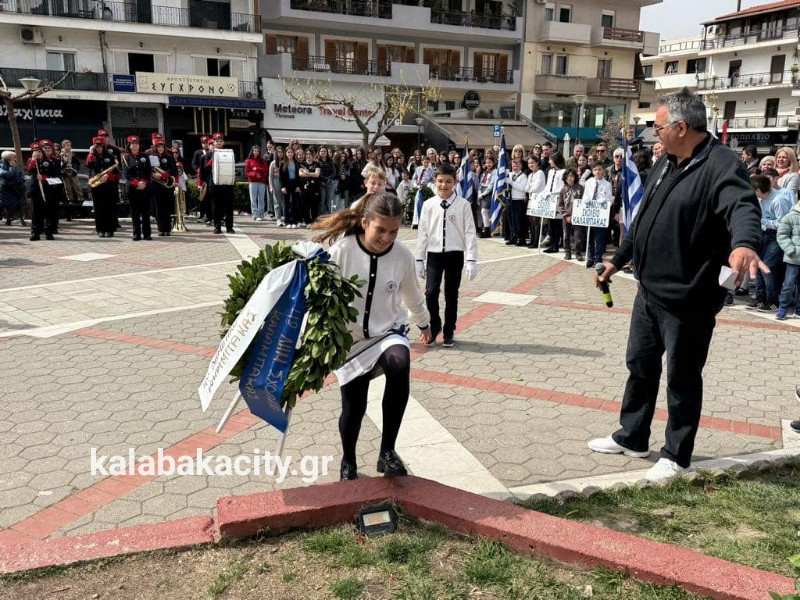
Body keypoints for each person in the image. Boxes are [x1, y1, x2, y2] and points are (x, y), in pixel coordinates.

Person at [588, 88, 762, 482]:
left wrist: (744, 244)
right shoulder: (666, 162)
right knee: (640, 366)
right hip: (648, 291)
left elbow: (742, 206)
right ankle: (632, 436)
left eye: (659, 127)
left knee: (682, 378)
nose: (655, 135)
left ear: (681, 128)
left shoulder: (721, 164)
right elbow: (642, 220)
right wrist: (617, 261)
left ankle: (676, 455)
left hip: (689, 298)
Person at [312, 192, 431, 480]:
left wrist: (424, 322)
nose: (387, 238)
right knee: (353, 407)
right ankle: (349, 460)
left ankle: (387, 451)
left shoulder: (402, 255)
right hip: (350, 342)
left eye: (394, 231)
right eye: (381, 230)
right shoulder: (342, 251)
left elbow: (412, 294)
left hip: (387, 332)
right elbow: (318, 296)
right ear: (365, 223)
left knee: (399, 362)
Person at [415, 163, 478, 348]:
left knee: (451, 294)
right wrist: (419, 259)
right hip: (434, 255)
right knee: (430, 293)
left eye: (448, 181)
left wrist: (471, 259)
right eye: (440, 181)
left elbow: (469, 232)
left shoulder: (463, 205)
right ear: (435, 181)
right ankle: (434, 326)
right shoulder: (428, 205)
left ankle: (449, 330)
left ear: (454, 182)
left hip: (455, 254)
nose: (444, 185)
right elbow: (423, 233)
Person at [745, 174, 794, 311]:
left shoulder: (779, 200)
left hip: (778, 236)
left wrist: (763, 221)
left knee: (767, 266)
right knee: (757, 264)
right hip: (764, 234)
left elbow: (783, 223)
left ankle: (773, 300)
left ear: (758, 190)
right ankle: (760, 297)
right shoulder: (761, 199)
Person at [87, 135, 120, 239]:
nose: (98, 148)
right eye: (96, 146)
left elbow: (116, 172)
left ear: (103, 146)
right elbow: (89, 168)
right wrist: (90, 154)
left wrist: (108, 176)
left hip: (108, 185)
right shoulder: (92, 157)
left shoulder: (110, 156)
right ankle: (100, 230)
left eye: (100, 146)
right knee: (98, 208)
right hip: (96, 184)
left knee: (109, 208)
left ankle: (110, 230)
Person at [202, 132, 235, 234]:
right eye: (217, 141)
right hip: (214, 184)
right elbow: (205, 169)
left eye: (221, 141)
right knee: (216, 207)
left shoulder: (229, 153)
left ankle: (229, 227)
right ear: (214, 142)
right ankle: (217, 227)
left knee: (228, 207)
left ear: (223, 142)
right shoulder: (209, 154)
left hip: (227, 184)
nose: (219, 143)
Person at [123, 135, 153, 241]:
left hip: (145, 187)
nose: (135, 146)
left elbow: (148, 171)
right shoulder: (126, 157)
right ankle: (136, 234)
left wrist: (143, 182)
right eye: (133, 144)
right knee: (135, 213)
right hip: (133, 188)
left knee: (146, 212)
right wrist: (136, 183)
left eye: (136, 144)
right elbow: (126, 173)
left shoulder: (145, 156)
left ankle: (147, 234)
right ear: (129, 146)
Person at [775, 197, 800, 320]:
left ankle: (799, 310)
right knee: (788, 285)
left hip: (793, 257)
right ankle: (782, 309)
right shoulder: (789, 217)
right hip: (793, 258)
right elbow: (782, 235)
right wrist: (791, 250)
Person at [554, 168, 583, 260]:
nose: (570, 178)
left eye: (572, 176)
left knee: (578, 235)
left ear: (575, 177)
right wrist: (566, 215)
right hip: (566, 216)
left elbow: (583, 202)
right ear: (565, 178)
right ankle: (567, 252)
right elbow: (560, 204)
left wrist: (577, 213)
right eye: (568, 176)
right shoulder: (563, 190)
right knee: (566, 235)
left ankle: (578, 252)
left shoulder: (580, 188)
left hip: (577, 216)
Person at [151, 137, 178, 237]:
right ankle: (161, 229)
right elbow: (147, 170)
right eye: (159, 147)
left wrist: (165, 174)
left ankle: (167, 229)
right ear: (155, 148)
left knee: (167, 207)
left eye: (162, 147)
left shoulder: (169, 157)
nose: (160, 149)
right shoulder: (151, 157)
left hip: (166, 185)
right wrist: (153, 174)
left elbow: (174, 170)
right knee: (158, 208)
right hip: (156, 184)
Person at [0, 150, 26, 227]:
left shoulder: (15, 165)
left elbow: (21, 173)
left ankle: (21, 219)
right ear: (8, 158)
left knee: (20, 204)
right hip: (7, 188)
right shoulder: (1, 166)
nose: (15, 158)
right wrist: (12, 167)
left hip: (18, 188)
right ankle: (8, 220)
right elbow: (7, 175)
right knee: (7, 204)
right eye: (13, 157)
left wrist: (22, 180)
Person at [525, 155, 546, 248]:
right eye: (529, 163)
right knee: (531, 221)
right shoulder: (530, 175)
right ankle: (532, 239)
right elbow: (526, 187)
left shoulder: (540, 173)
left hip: (538, 199)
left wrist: (529, 189)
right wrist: (529, 189)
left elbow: (536, 187)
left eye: (532, 163)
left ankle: (536, 241)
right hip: (531, 199)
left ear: (537, 163)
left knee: (536, 221)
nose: (531, 165)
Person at [507, 158, 528, 246]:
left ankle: (521, 238)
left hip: (519, 200)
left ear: (521, 166)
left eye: (517, 166)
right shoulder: (509, 174)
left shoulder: (523, 176)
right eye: (513, 166)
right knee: (511, 220)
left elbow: (523, 188)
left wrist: (511, 182)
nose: (515, 168)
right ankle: (513, 236)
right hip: (510, 199)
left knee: (519, 220)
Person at [279, 146, 302, 229]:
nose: (290, 154)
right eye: (288, 152)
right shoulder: (282, 163)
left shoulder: (296, 163)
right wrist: (282, 187)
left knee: (295, 204)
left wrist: (298, 186)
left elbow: (299, 176)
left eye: (291, 152)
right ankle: (287, 221)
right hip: (286, 185)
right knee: (287, 204)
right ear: (285, 153)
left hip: (294, 184)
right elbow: (280, 177)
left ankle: (294, 221)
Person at [60, 139, 81, 222]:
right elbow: (61, 164)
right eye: (67, 145)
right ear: (64, 146)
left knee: (76, 185)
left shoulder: (73, 153)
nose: (69, 147)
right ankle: (70, 198)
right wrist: (62, 170)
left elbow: (78, 163)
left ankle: (80, 198)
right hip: (65, 171)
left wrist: (76, 170)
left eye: (70, 145)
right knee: (67, 186)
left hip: (72, 171)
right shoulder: (61, 154)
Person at [245, 145, 268, 221]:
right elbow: (247, 172)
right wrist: (255, 174)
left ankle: (261, 214)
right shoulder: (249, 161)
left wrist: (257, 169)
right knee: (253, 199)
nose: (256, 152)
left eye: (257, 151)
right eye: (255, 151)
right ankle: (255, 214)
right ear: (252, 151)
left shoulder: (263, 160)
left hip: (261, 181)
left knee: (261, 199)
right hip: (252, 181)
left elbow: (265, 169)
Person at [477, 155, 497, 238]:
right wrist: (479, 192)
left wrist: (484, 193)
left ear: (493, 163)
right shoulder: (485, 172)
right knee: (484, 211)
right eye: (486, 163)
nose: (488, 164)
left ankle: (487, 229)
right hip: (482, 192)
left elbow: (491, 184)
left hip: (489, 193)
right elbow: (481, 183)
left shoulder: (495, 171)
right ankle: (486, 228)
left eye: (490, 162)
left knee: (484, 211)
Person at [269, 145, 285, 227]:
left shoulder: (285, 162)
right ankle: (278, 219)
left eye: (281, 152)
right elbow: (270, 176)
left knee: (285, 201)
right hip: (276, 180)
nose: (280, 153)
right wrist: (271, 187)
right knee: (277, 201)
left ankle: (285, 218)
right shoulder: (273, 163)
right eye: (278, 152)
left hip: (285, 181)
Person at [317, 146, 336, 217]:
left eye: (325, 151)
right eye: (321, 151)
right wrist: (323, 180)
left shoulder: (330, 161)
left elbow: (334, 172)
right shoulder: (317, 161)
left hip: (329, 183)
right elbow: (317, 172)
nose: (323, 152)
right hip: (320, 183)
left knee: (328, 201)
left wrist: (328, 179)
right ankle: (320, 217)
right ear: (319, 152)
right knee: (321, 201)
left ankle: (328, 217)